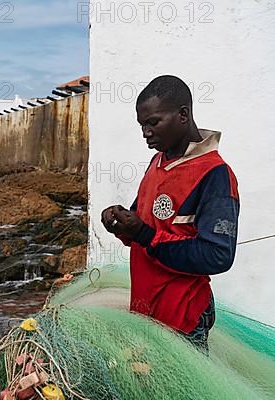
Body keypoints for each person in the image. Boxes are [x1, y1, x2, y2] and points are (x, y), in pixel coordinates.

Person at [101, 75, 240, 352]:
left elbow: (218, 255)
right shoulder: (158, 161)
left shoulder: (215, 174)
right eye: (142, 125)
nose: (146, 133)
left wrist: (143, 233)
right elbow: (143, 222)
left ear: (183, 115)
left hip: (183, 316)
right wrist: (120, 224)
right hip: (147, 309)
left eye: (153, 122)